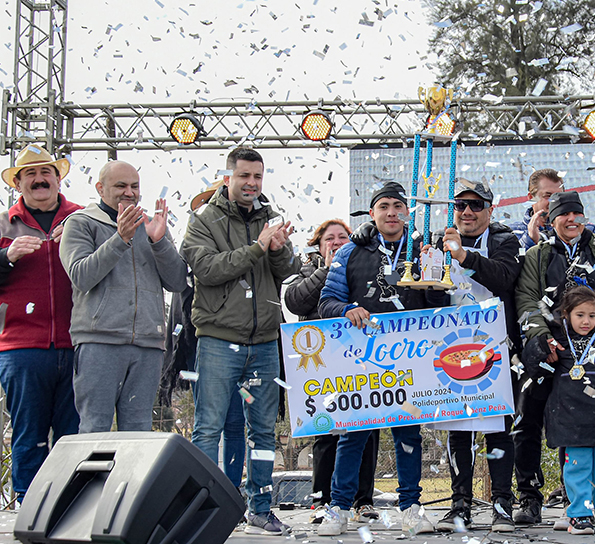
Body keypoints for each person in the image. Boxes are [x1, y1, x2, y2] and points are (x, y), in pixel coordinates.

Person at [181, 147, 300, 536]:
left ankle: (260, 508)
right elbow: (207, 269)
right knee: (208, 428)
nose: (252, 184)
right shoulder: (203, 220)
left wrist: (279, 251)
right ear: (227, 177)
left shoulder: (270, 217)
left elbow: (289, 271)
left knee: (263, 431)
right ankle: (200, 510)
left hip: (264, 341)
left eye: (258, 177)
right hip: (218, 340)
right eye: (245, 176)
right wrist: (257, 248)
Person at [317, 181, 443, 536]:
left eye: (398, 206)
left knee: (408, 435)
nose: (391, 213)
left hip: (409, 358)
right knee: (353, 435)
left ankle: (411, 508)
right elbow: (326, 301)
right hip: (362, 358)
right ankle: (339, 507)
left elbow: (439, 304)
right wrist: (347, 309)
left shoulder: (423, 249)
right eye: (384, 206)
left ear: (408, 212)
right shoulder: (350, 252)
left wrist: (435, 276)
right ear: (372, 213)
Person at [0, 145, 81, 501]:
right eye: (30, 174)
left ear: (58, 179)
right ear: (17, 183)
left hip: (79, 343)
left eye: (46, 172)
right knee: (29, 434)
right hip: (22, 348)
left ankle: (72, 505)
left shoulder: (81, 218)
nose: (39, 179)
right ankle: (29, 506)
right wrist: (5, 256)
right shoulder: (0, 225)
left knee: (74, 437)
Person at [514, 191, 595, 528]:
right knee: (537, 422)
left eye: (577, 214)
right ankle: (537, 499)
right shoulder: (538, 254)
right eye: (564, 214)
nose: (572, 220)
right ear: (552, 220)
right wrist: (541, 337)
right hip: (555, 355)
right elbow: (526, 297)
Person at [59, 160, 187, 434]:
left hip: (148, 345)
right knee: (95, 428)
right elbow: (81, 276)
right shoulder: (80, 223)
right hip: (99, 342)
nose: (129, 192)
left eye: (134, 186)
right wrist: (120, 238)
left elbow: (177, 282)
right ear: (100, 188)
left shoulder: (151, 225)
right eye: (120, 186)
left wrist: (159, 242)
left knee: (138, 432)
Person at [428, 180, 523, 533]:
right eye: (460, 205)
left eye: (476, 205)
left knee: (498, 429)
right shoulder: (436, 241)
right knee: (458, 430)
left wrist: (464, 256)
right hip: (450, 346)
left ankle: (502, 505)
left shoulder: (504, 240)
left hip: (496, 348)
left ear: (490, 210)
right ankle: (460, 505)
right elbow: (428, 296)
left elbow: (505, 278)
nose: (467, 212)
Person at [283, 218, 381, 524]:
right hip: (322, 362)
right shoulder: (306, 271)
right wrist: (329, 269)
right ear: (318, 244)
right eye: (330, 238)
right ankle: (322, 499)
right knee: (326, 432)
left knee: (367, 427)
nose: (336, 242)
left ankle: (362, 500)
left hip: (360, 357)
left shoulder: (360, 263)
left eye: (342, 238)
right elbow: (296, 301)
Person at [523, 286, 595, 534]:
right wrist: (541, 346)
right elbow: (532, 362)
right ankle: (579, 515)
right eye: (580, 315)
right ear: (566, 314)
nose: (586, 321)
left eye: (591, 315)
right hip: (572, 417)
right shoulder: (557, 338)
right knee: (578, 466)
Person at [158, 180, 246, 489]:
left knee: (236, 421)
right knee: (208, 423)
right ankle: (205, 493)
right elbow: (180, 288)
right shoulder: (193, 242)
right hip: (201, 342)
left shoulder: (247, 242)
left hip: (242, 343)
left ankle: (232, 491)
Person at [509, 168, 595, 249]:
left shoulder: (589, 230)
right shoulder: (512, 234)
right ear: (531, 198)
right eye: (548, 196)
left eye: (559, 196)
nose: (554, 202)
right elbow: (513, 263)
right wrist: (530, 241)